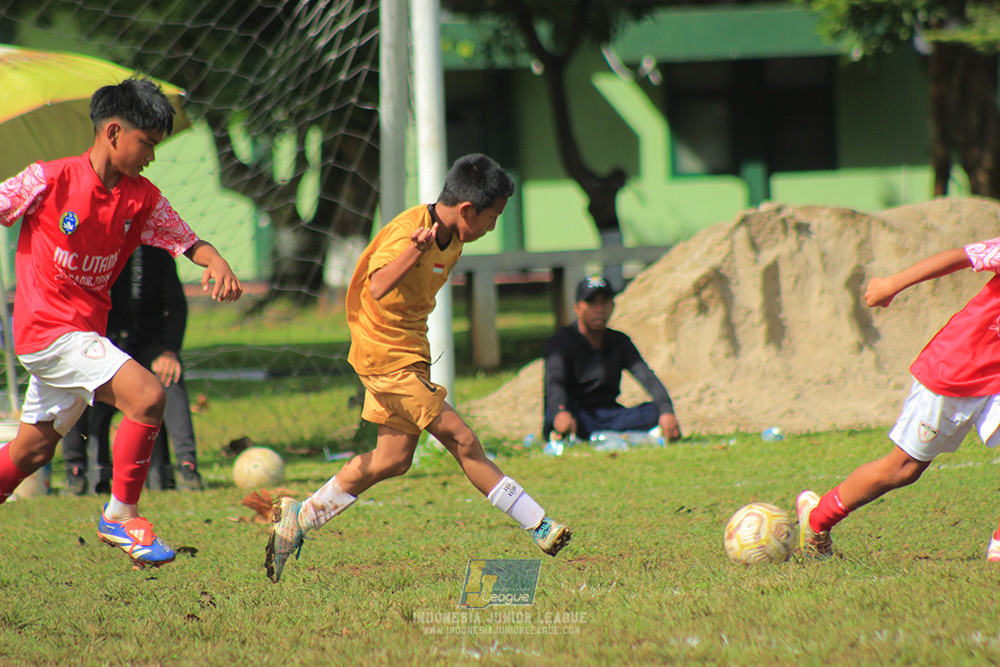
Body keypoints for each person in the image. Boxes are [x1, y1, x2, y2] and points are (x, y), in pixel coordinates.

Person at [265, 154, 571, 583]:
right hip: (385, 357)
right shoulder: (409, 232)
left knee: (392, 459)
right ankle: (538, 523)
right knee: (461, 438)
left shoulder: (456, 237)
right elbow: (377, 286)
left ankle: (301, 516)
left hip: (408, 353)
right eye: (492, 217)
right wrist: (413, 251)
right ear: (467, 209)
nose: (493, 227)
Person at [0, 77, 242, 567]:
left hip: (82, 337)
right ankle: (119, 516)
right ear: (113, 132)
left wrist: (215, 260)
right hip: (48, 333)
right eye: (147, 144)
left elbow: (187, 240)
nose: (152, 156)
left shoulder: (142, 198)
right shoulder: (49, 179)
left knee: (31, 452)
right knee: (148, 394)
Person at [797, 237, 1000, 561]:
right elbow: (958, 257)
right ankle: (817, 519)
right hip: (955, 370)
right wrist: (893, 284)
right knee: (902, 470)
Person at [63, 245, 204, 495]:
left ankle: (187, 465)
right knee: (75, 380)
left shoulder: (156, 254)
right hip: (103, 344)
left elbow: (177, 307)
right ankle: (75, 470)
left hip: (148, 347)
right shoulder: (92, 252)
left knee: (170, 374)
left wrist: (169, 350)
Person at [543, 275, 681, 443]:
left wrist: (666, 410)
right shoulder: (560, 343)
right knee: (554, 416)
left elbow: (645, 374)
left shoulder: (619, 341)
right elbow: (554, 381)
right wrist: (560, 411)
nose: (599, 309)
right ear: (577, 308)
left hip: (609, 414)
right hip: (576, 413)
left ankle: (597, 435)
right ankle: (571, 431)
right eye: (592, 303)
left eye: (605, 302)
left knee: (654, 412)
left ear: (613, 306)